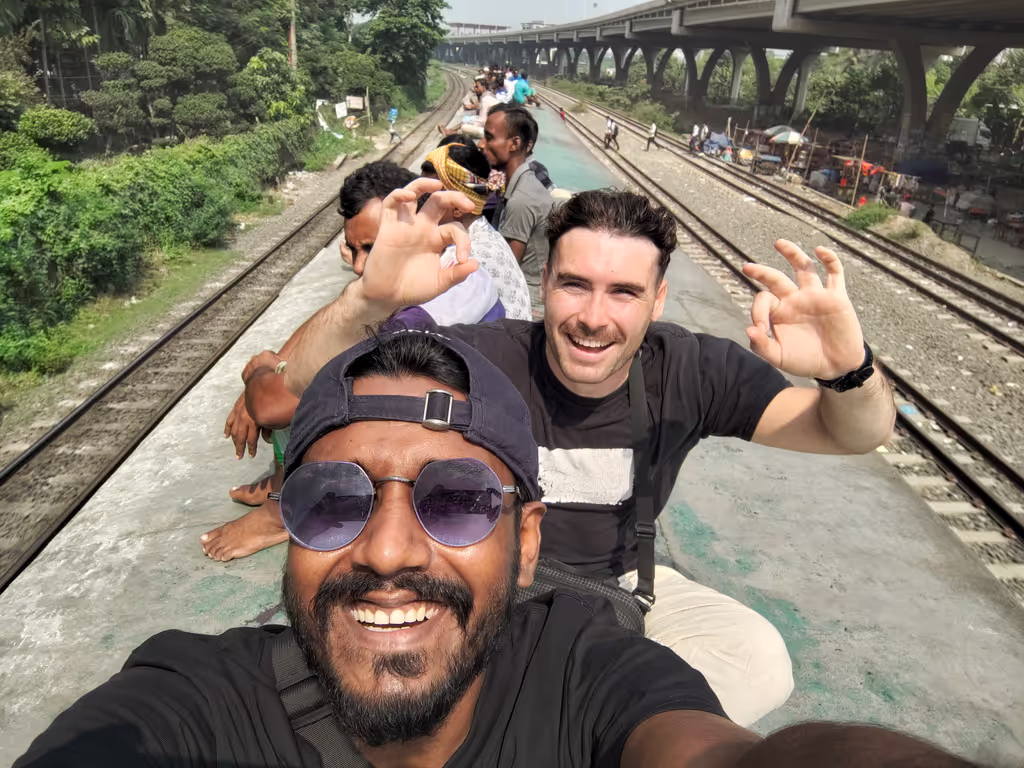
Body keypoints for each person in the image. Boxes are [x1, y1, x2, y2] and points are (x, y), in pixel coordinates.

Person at [16, 332, 977, 768]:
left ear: (526, 543)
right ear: (288, 524)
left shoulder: (586, 675)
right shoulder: (194, 698)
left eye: (460, 500)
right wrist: (378, 289)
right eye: (330, 501)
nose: (389, 550)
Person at [274, 184, 897, 726]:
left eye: (624, 292)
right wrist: (367, 302)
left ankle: (557, 729)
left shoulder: (692, 369)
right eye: (574, 285)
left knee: (758, 659)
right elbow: (303, 383)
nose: (593, 318)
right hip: (488, 578)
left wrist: (848, 370)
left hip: (624, 583)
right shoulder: (477, 359)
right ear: (544, 284)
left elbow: (849, 432)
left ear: (657, 302)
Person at [206, 161, 510, 560]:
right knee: (298, 364)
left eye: (373, 248)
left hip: (446, 445)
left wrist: (263, 373)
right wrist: (279, 358)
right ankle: (285, 480)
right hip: (433, 410)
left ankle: (284, 507)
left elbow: (271, 406)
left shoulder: (430, 299)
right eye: (355, 248)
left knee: (300, 395)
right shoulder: (430, 261)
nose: (361, 264)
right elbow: (347, 306)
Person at [421, 141, 532, 321]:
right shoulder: (488, 234)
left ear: (457, 207)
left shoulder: (460, 258)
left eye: (426, 196)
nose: (418, 202)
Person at [482, 103, 554, 320]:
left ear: (514, 144)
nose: (482, 144)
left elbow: (504, 268)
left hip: (528, 306)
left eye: (489, 137)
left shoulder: (522, 199)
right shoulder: (520, 185)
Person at [439, 76, 497, 141]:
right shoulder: (488, 96)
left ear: (483, 87)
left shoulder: (486, 99)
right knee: (467, 120)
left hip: (489, 130)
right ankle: (449, 131)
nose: (475, 89)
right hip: (491, 126)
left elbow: (482, 120)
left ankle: (449, 133)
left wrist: (472, 123)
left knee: (465, 126)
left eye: (477, 87)